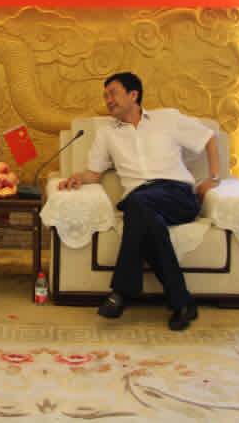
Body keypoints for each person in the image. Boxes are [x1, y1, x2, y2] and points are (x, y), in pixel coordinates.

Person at [58, 72, 220, 331]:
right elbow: (94, 174)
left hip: (177, 194)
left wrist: (213, 177)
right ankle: (181, 301)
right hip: (141, 201)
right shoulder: (107, 134)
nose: (108, 100)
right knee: (148, 221)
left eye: (113, 93)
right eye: (105, 96)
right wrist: (77, 178)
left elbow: (209, 137)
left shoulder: (167, 119)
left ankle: (122, 292)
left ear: (133, 95)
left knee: (136, 205)